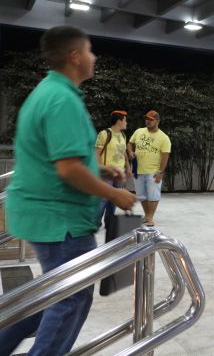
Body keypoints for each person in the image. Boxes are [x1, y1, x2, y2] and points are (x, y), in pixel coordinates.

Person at [0, 26, 137, 356]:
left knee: (46, 296)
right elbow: (68, 169)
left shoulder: (49, 92)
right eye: (89, 50)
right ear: (75, 56)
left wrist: (98, 170)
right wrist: (114, 193)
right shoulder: (62, 100)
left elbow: (61, 159)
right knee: (70, 298)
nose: (93, 57)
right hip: (61, 220)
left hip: (47, 215)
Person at [127, 110, 171, 227]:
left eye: (151, 119)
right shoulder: (139, 131)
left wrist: (160, 172)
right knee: (142, 195)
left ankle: (150, 218)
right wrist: (130, 152)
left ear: (158, 121)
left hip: (153, 171)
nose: (148, 121)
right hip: (138, 170)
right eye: (147, 119)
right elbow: (130, 143)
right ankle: (147, 216)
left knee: (153, 195)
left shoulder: (164, 138)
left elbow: (165, 156)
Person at [95, 110, 131, 227]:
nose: (126, 123)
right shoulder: (104, 134)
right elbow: (97, 154)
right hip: (107, 172)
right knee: (103, 198)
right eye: (125, 120)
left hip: (119, 172)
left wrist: (128, 167)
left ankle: (109, 222)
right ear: (119, 121)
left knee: (115, 199)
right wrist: (100, 169)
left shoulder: (123, 135)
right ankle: (95, 222)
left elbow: (123, 153)